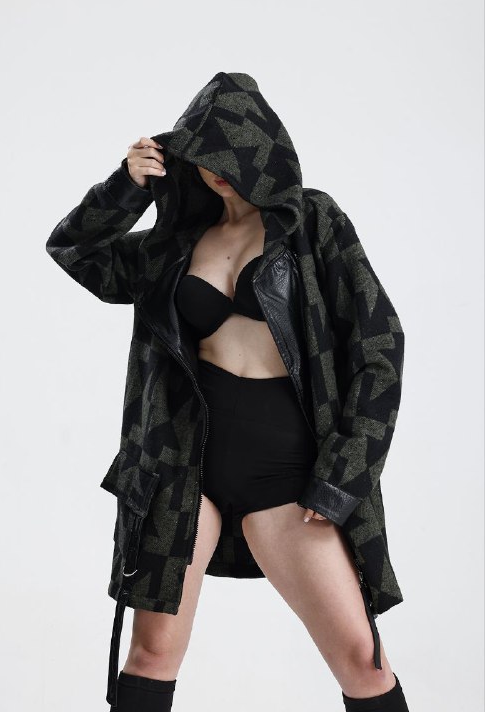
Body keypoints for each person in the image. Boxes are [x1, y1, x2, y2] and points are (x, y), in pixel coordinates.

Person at [46, 72, 409, 711]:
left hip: (291, 473)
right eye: (200, 158)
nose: (214, 173)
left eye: (226, 157)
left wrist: (344, 477)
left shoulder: (312, 222)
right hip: (184, 466)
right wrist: (125, 187)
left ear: (261, 152)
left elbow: (380, 346)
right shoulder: (176, 243)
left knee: (362, 660)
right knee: (151, 653)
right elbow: (76, 251)